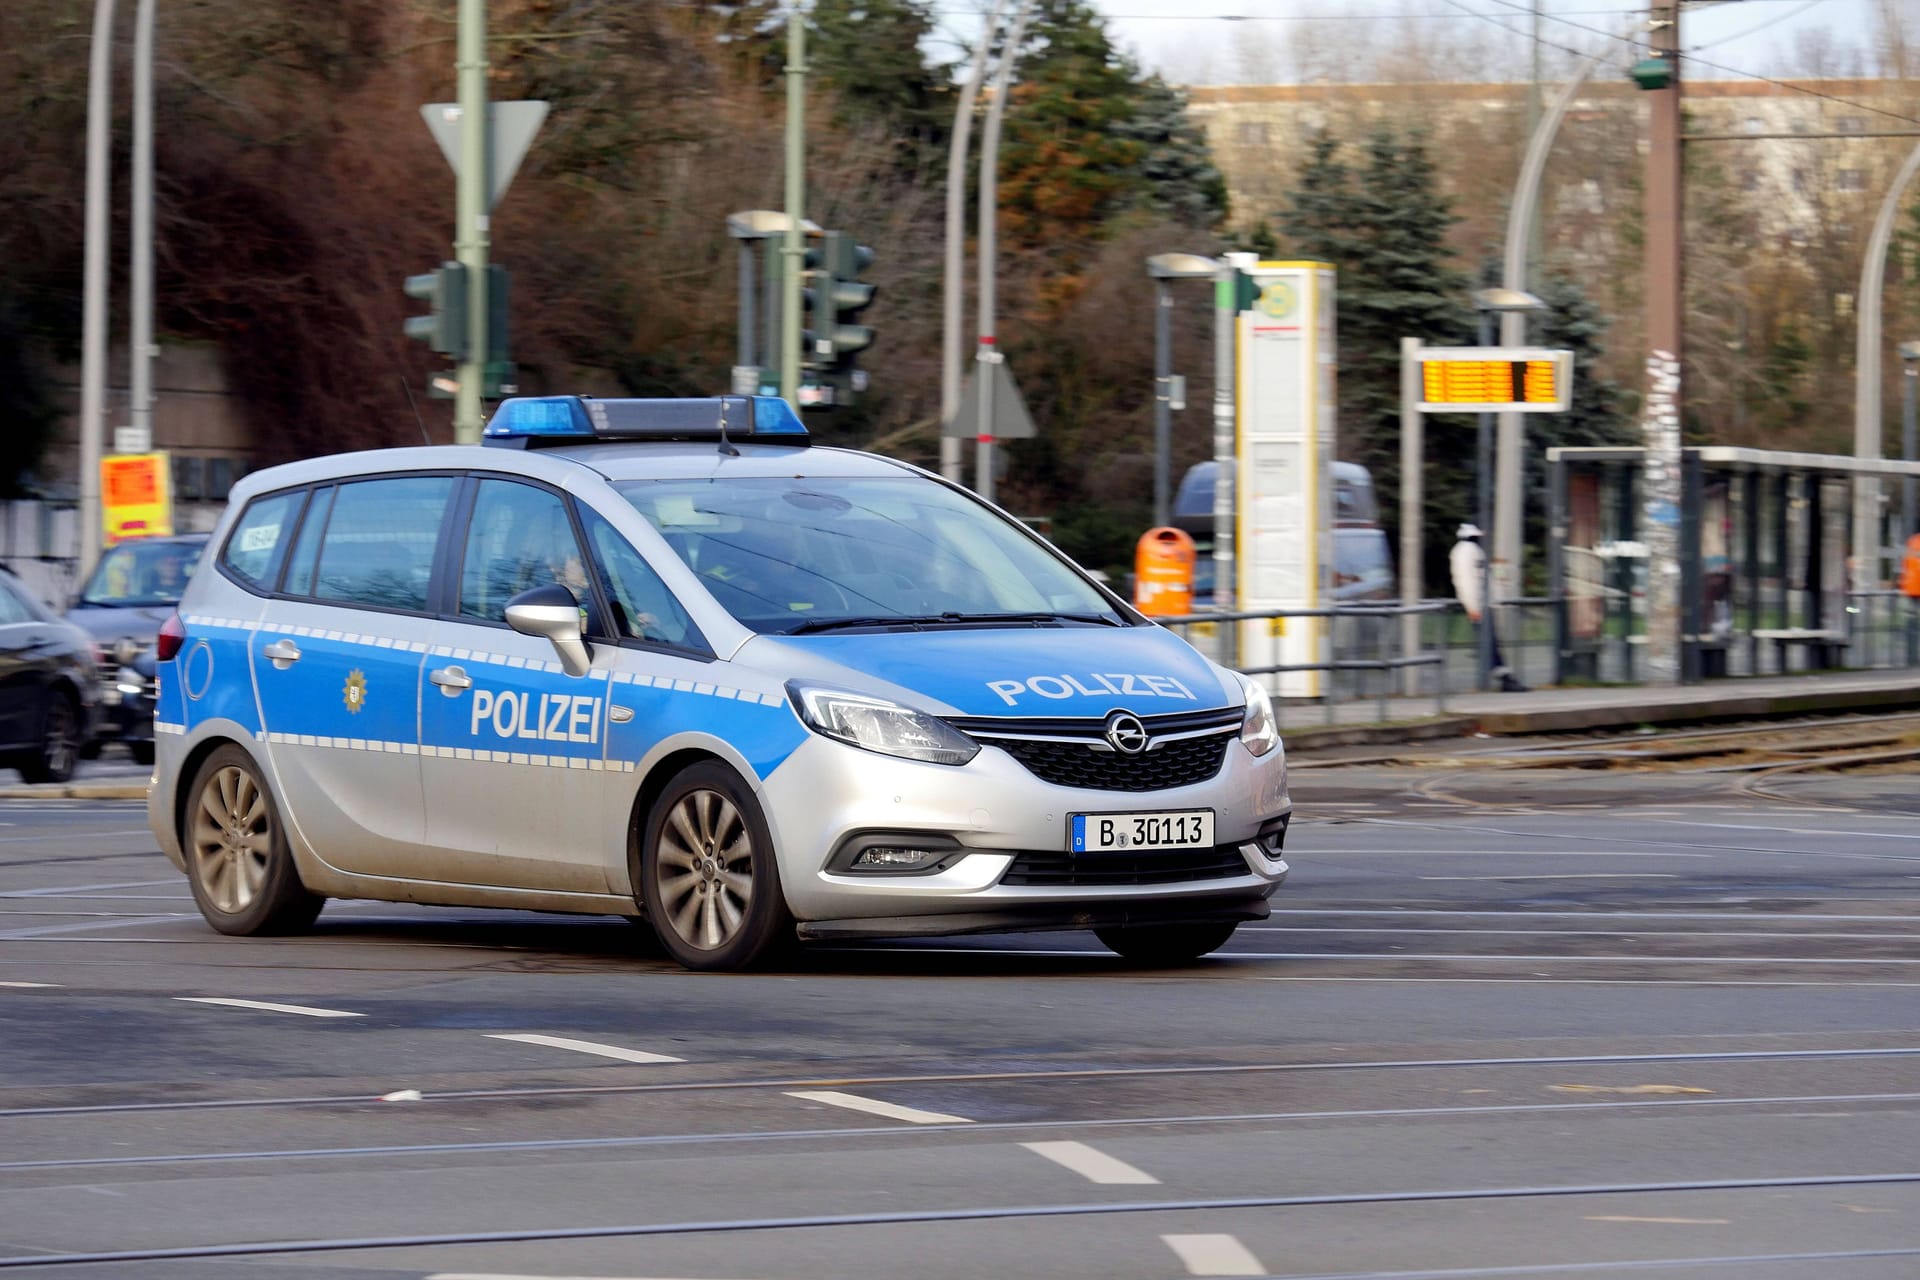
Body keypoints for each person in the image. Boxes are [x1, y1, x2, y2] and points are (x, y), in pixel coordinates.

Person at [1450, 522, 1526, 693]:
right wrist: (1472, 606)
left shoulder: (1472, 552)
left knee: (1491, 642)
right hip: (1478, 605)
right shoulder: (1466, 552)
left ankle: (1504, 677)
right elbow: (1466, 581)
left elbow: (1483, 579)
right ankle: (1505, 678)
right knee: (1490, 643)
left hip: (1482, 603)